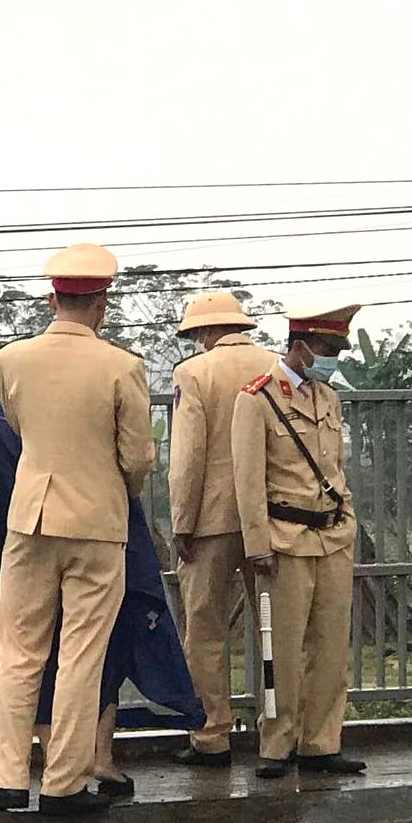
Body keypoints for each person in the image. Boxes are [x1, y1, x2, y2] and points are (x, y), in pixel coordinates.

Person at [0, 243, 155, 816]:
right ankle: (63, 784)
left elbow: (21, 427)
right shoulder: (123, 367)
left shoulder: (11, 359)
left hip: (30, 516)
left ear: (52, 299)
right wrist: (119, 487)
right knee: (81, 655)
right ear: (101, 303)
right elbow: (139, 455)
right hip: (98, 522)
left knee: (20, 651)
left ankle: (4, 779)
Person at [0, 402, 203, 798]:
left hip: (28, 540)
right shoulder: (102, 398)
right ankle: (93, 761)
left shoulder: (3, 412)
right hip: (98, 536)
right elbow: (136, 463)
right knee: (95, 652)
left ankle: (21, 772)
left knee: (28, 657)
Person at [231, 303, 365, 780]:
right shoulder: (257, 399)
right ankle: (277, 743)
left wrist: (347, 518)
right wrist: (256, 545)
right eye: (327, 349)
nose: (331, 358)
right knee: (281, 650)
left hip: (331, 537)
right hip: (283, 540)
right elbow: (247, 481)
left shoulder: (328, 398)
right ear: (301, 346)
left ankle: (321, 742)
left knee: (331, 648)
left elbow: (335, 470)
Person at [167, 291, 279, 767]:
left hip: (210, 520)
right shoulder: (275, 367)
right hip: (271, 518)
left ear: (203, 333)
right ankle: (280, 732)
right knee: (275, 628)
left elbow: (188, 456)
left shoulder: (193, 374)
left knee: (205, 629)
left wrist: (182, 521)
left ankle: (211, 736)